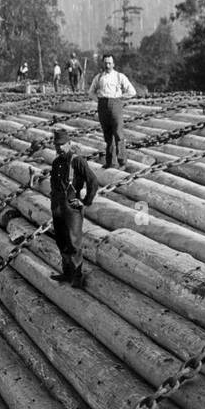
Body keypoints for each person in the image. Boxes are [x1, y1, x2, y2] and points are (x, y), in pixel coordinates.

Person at [48, 133, 98, 288]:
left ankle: (77, 277)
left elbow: (93, 181)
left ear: (69, 143)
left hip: (71, 206)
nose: (59, 148)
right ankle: (67, 273)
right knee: (61, 240)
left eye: (62, 144)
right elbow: (54, 183)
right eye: (56, 145)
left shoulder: (77, 161)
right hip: (57, 205)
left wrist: (84, 202)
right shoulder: (56, 162)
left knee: (74, 242)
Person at [88, 53, 137, 168]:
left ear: (113, 64)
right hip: (102, 105)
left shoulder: (119, 76)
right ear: (103, 64)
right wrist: (99, 100)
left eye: (110, 63)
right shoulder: (99, 77)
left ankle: (122, 162)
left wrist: (120, 98)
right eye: (105, 63)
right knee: (107, 135)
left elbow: (132, 91)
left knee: (118, 134)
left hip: (116, 104)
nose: (108, 65)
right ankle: (110, 162)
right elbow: (90, 92)